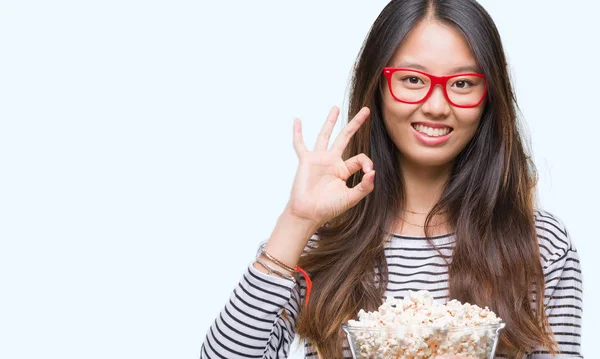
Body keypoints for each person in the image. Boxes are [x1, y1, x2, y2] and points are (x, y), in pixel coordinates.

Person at [199, 0, 583, 358]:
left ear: (489, 96)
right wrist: (297, 221)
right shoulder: (317, 240)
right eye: (412, 79)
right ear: (379, 85)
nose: (435, 106)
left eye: (462, 83)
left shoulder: (538, 245)